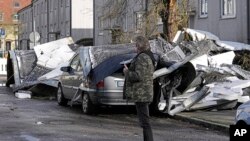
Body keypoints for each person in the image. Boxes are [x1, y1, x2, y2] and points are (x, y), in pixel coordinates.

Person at [123, 36, 155, 141]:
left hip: (142, 94)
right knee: (144, 122)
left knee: (145, 122)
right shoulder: (148, 56)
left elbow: (138, 76)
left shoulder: (142, 57)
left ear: (139, 46)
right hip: (144, 93)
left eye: (136, 45)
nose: (134, 47)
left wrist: (127, 72)